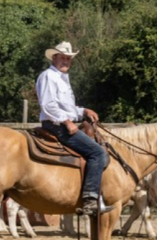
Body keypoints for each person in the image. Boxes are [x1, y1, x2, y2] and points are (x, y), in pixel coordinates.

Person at [35, 41, 114, 217]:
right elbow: (48, 105)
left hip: (60, 123)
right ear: (54, 58)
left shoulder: (62, 78)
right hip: (57, 126)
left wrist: (83, 111)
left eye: (68, 58)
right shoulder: (48, 76)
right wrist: (67, 122)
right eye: (62, 58)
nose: (66, 61)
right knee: (97, 153)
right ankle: (90, 199)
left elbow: (67, 109)